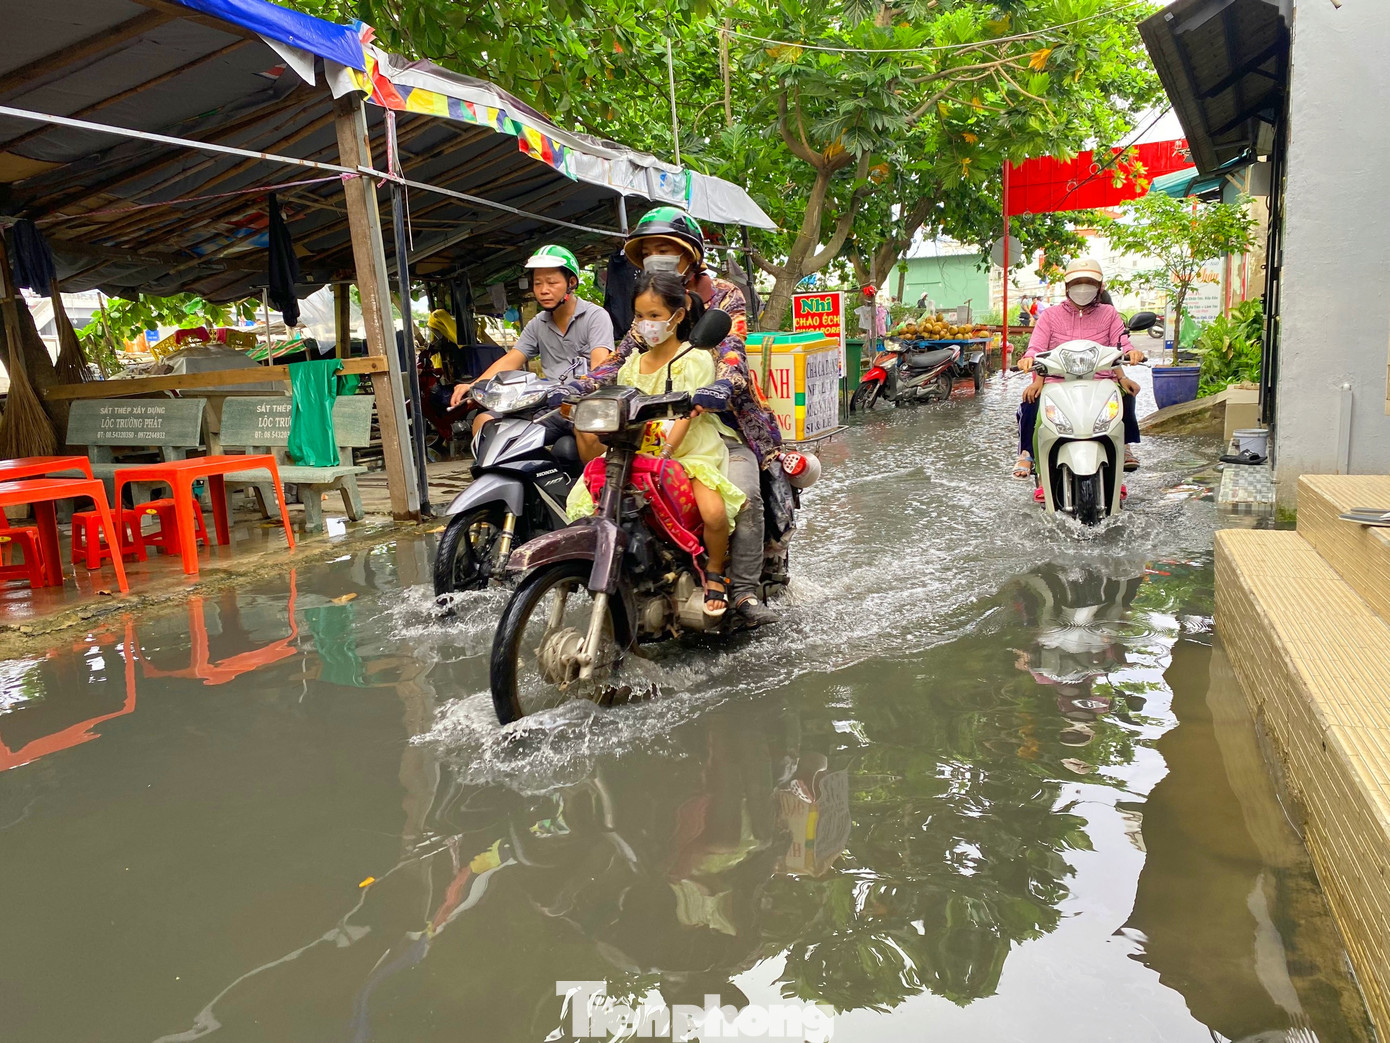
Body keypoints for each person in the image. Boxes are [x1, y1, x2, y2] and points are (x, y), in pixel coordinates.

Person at [557, 206, 782, 626]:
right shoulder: (649, 305)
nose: (658, 258)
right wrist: (571, 388)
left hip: (720, 424)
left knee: (743, 498)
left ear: (690, 255)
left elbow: (733, 351)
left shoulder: (725, 295)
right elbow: (617, 363)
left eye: (668, 250)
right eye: (650, 252)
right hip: (655, 429)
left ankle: (744, 590)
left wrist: (720, 385)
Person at [568, 271, 746, 617]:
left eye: (654, 316)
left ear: (677, 316)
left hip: (690, 449)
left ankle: (714, 573)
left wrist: (665, 454)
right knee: (588, 503)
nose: (647, 324)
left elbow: (686, 416)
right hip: (638, 448)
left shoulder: (693, 358)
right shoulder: (632, 364)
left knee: (713, 512)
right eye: (639, 316)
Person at [448, 245, 615, 437]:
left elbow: (600, 368)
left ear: (571, 282)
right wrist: (474, 385)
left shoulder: (595, 316)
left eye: (552, 283)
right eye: (538, 284)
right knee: (484, 421)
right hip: (549, 406)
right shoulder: (538, 323)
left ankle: (590, 468)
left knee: (587, 431)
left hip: (583, 405)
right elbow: (511, 359)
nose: (544, 290)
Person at [1013, 258, 1146, 478]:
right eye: (1077, 282)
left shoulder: (1109, 314)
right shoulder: (1049, 316)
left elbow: (1120, 344)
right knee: (1031, 403)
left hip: (1102, 380)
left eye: (1089, 282)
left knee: (1127, 395)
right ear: (1067, 287)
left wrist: (1132, 354)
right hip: (1057, 381)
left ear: (1099, 287)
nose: (1083, 288)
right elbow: (1036, 348)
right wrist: (1029, 362)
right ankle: (1027, 453)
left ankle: (1124, 446)